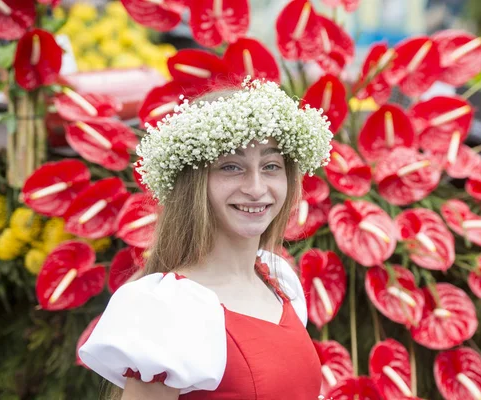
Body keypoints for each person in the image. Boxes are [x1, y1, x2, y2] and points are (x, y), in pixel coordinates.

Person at [78, 78, 333, 399]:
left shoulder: (279, 282)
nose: (256, 188)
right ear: (195, 183)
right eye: (231, 167)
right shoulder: (169, 308)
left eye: (270, 166)